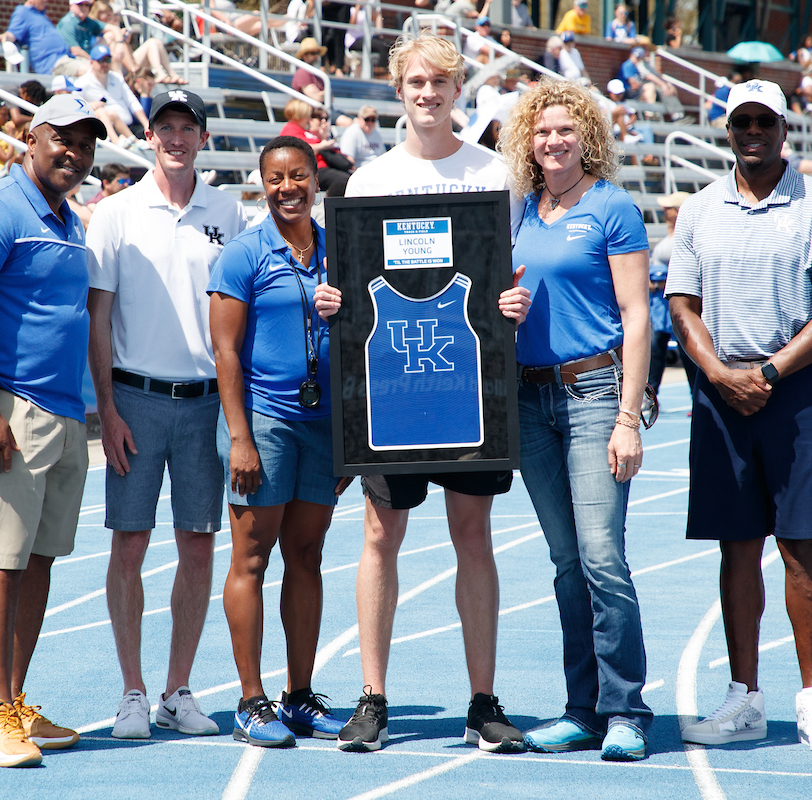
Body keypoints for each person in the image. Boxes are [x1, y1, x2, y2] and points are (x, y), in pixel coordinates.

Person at [314, 32, 526, 755]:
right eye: (414, 82)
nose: (427, 93)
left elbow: (509, 270)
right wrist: (332, 303)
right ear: (398, 91)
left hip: (469, 385)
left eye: (439, 81)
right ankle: (373, 699)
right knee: (380, 534)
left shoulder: (495, 172)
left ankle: (482, 701)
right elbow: (351, 283)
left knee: (474, 535)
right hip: (393, 387)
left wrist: (514, 303)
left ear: (456, 87)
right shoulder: (371, 180)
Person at [667, 80, 812, 752]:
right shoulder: (697, 210)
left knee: (800, 545)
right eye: (741, 121)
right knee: (737, 545)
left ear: (784, 127)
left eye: (764, 121)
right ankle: (744, 699)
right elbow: (682, 305)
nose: (752, 131)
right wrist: (721, 374)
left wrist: (772, 371)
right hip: (722, 393)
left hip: (798, 391)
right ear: (727, 129)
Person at [0, 94, 106, 769]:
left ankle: (13, 700)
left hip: (60, 413)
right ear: (29, 139)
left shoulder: (65, 219)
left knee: (37, 559)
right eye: (62, 138)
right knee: (2, 557)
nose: (74, 152)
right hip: (9, 411)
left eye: (86, 143)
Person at [86, 88, 250, 741]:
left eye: (188, 126)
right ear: (150, 137)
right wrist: (106, 410)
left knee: (198, 544)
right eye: (166, 127)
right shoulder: (116, 213)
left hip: (207, 401)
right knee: (129, 543)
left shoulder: (229, 211)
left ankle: (177, 691)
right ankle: (131, 691)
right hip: (134, 399)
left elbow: (242, 311)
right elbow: (98, 319)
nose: (176, 137)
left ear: (203, 137)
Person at [497, 79, 652, 762]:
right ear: (527, 142)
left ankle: (627, 709)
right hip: (529, 401)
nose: (553, 141)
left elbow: (637, 316)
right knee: (566, 564)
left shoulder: (613, 209)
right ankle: (582, 708)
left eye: (565, 130)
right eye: (541, 131)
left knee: (601, 557)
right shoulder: (520, 212)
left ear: (587, 136)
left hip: (593, 394)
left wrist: (628, 416)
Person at [207, 136, 348, 747]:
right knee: (252, 559)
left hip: (322, 428)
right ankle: (249, 700)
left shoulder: (339, 253)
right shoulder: (243, 254)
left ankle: (297, 696)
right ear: (261, 184)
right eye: (274, 179)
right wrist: (240, 438)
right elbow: (226, 353)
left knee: (308, 556)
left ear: (315, 179)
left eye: (297, 177)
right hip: (263, 423)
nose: (287, 188)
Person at [649, 192, 695, 401]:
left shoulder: (686, 235)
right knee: (655, 354)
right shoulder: (667, 239)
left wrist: (658, 280)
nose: (663, 211)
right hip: (660, 309)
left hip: (678, 306)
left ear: (678, 212)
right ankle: (649, 398)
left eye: (667, 208)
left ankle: (698, 397)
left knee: (689, 354)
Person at [75, 44, 149, 144]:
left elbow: (132, 101)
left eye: (108, 60)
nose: (105, 64)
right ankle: (119, 141)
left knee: (148, 133)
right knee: (105, 113)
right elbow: (75, 105)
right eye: (101, 61)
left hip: (129, 127)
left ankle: (132, 141)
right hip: (106, 129)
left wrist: (145, 124)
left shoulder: (117, 78)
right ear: (92, 62)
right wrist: (90, 105)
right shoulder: (82, 82)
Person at [280, 98, 351, 197]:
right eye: (307, 115)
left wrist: (322, 138)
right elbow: (298, 150)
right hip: (311, 170)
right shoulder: (290, 129)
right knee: (344, 180)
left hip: (320, 168)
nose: (309, 119)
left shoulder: (303, 131)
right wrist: (322, 145)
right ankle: (331, 208)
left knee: (350, 178)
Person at [0, 0, 85, 77]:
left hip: (69, 59)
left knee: (96, 66)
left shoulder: (41, 15)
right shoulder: (23, 12)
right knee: (90, 71)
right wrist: (6, 36)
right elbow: (12, 33)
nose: (45, 0)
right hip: (54, 65)